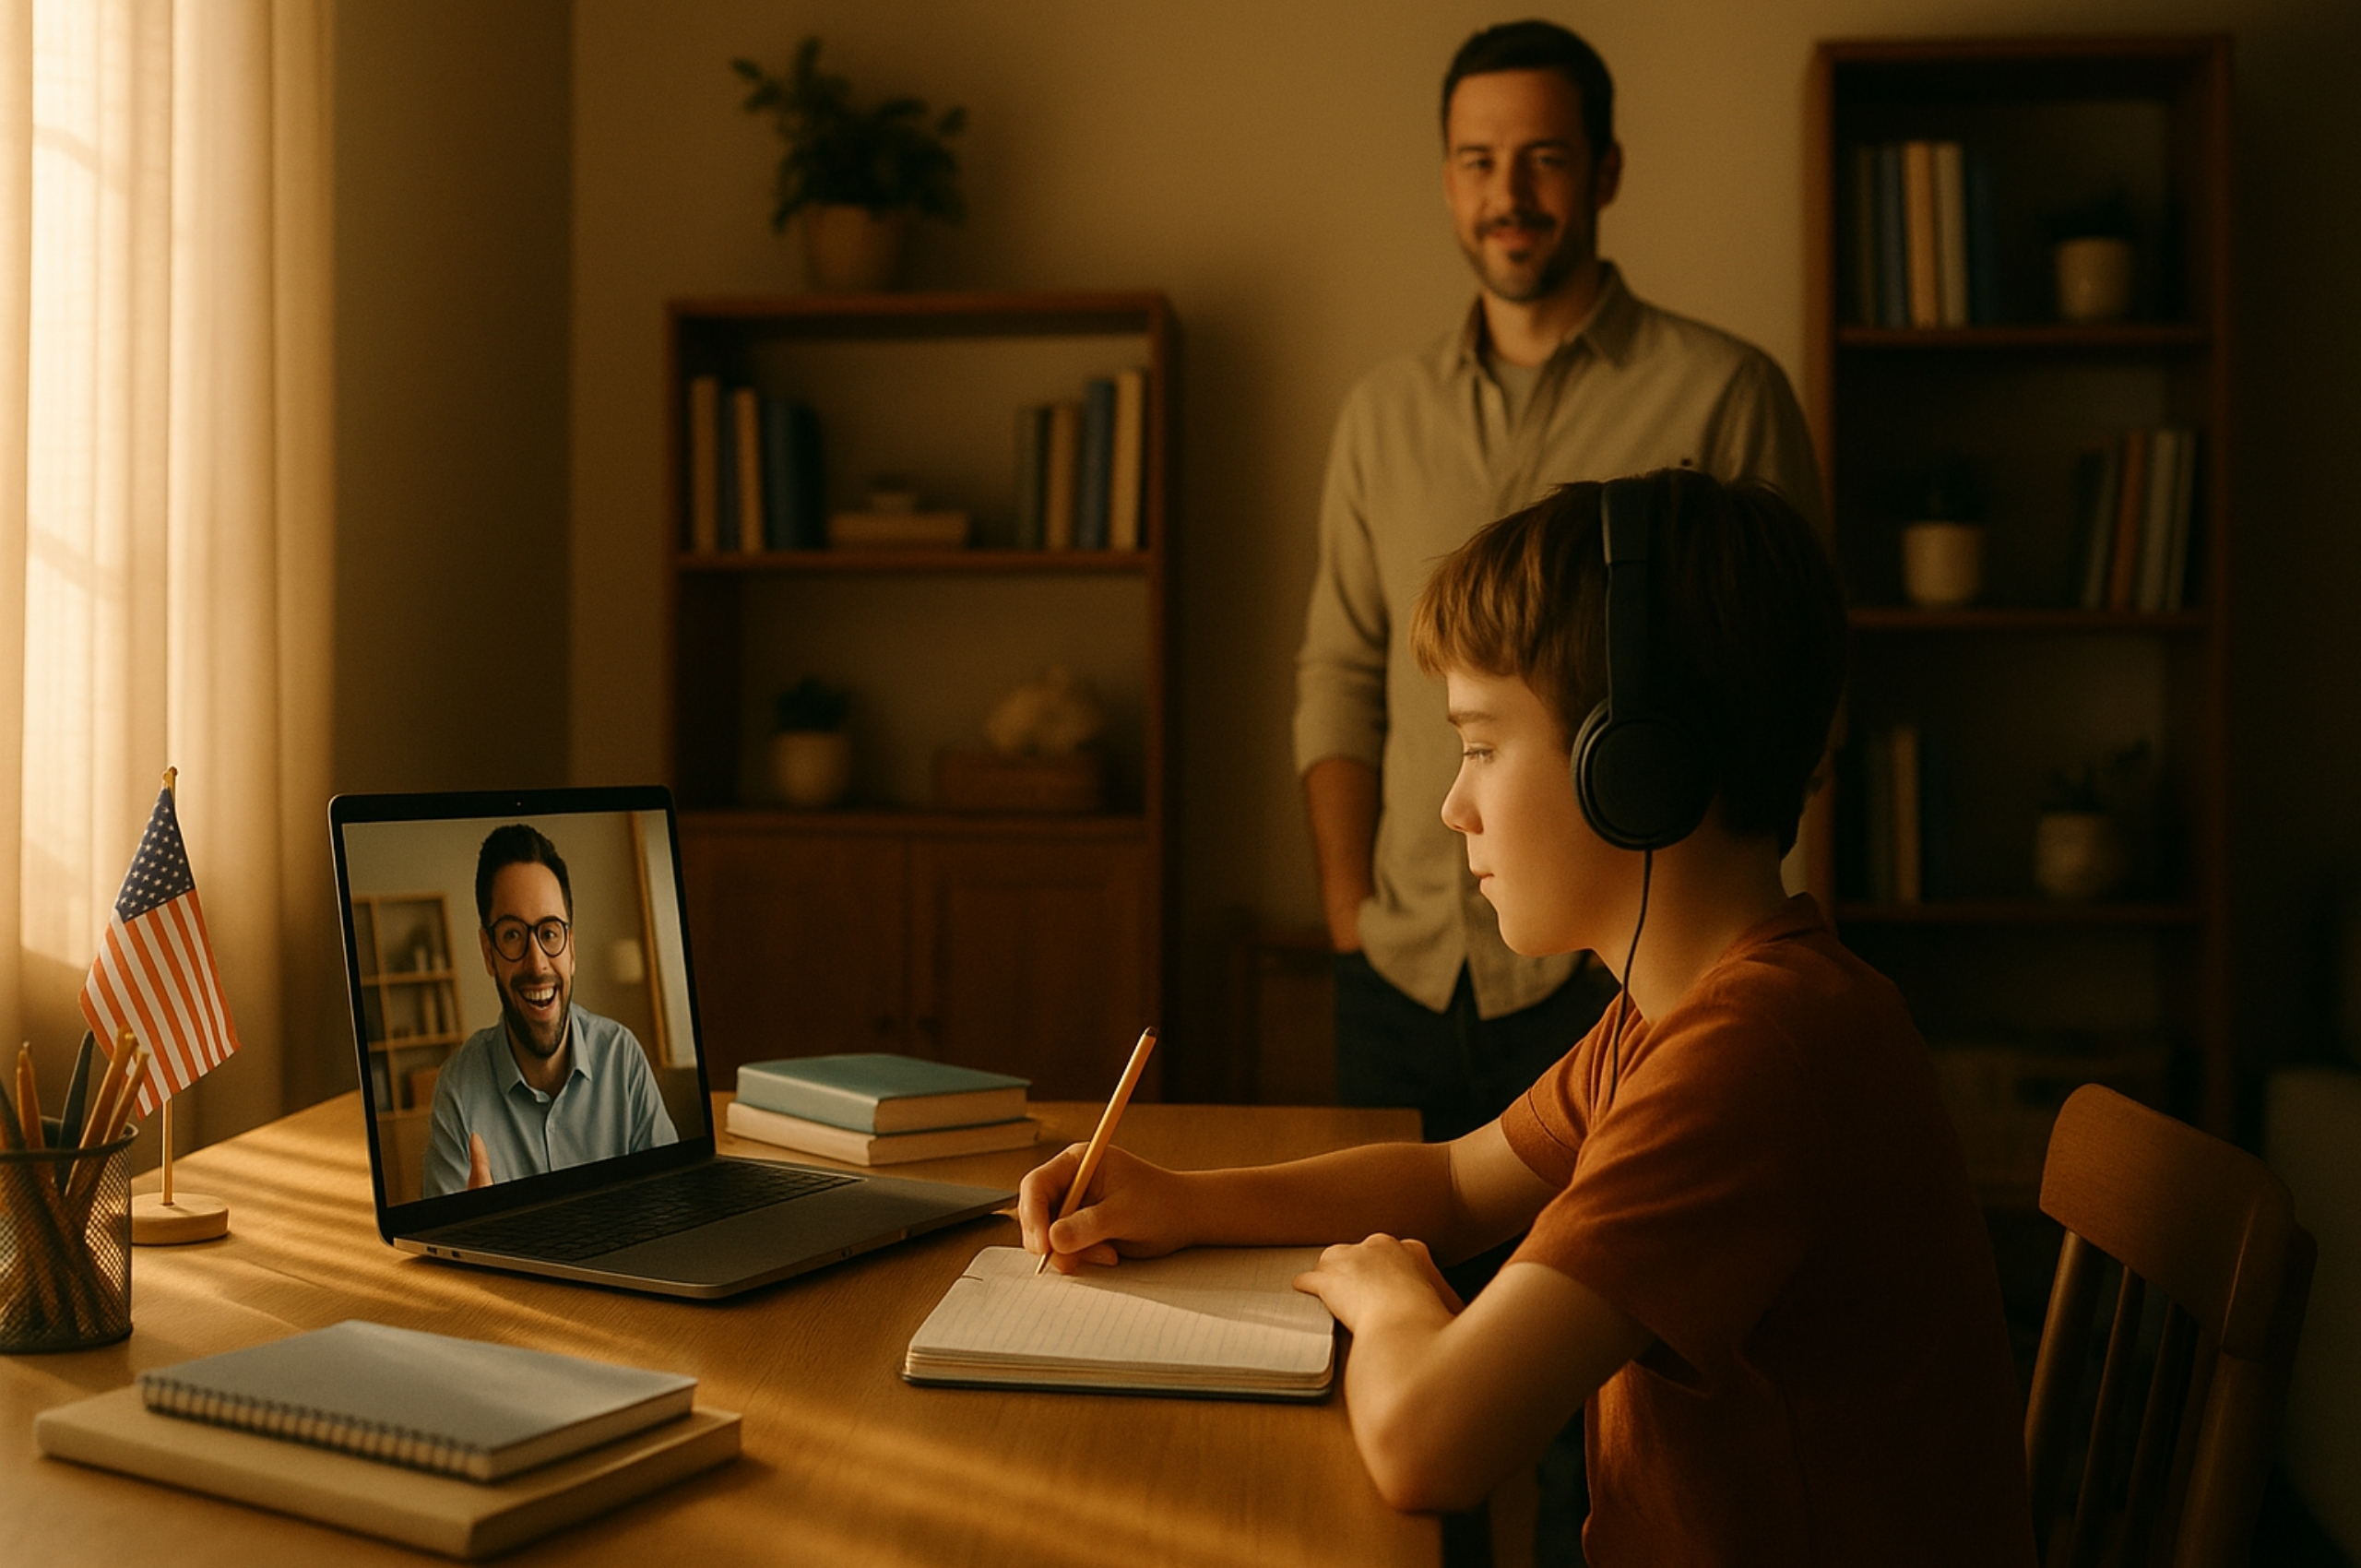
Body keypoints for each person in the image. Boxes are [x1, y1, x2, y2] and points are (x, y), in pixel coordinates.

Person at [1031, 471, 2035, 1566]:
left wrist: (1398, 1299)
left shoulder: (1755, 1055)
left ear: (1633, 766)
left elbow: (1428, 1442)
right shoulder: (1692, 1009)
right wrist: (1181, 1199)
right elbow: (1459, 1182)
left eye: (1479, 744)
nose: (1451, 805)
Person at [1297, 20, 1824, 1146]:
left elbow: (1792, 680)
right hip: (1398, 973)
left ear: (1605, 170)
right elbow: (1338, 669)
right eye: (1479, 161)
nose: (1509, 192)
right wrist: (1348, 917)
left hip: (1620, 969)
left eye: (1542, 156)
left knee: (1590, 1308)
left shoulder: (1725, 391)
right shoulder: (1379, 415)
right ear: (1448, 179)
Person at [421, 824, 677, 1199]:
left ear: (571, 948)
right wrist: (477, 1227)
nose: (537, 963)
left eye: (550, 932)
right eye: (512, 934)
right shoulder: (458, 1089)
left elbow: (672, 1205)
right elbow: (444, 1247)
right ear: (488, 952)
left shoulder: (623, 1057)